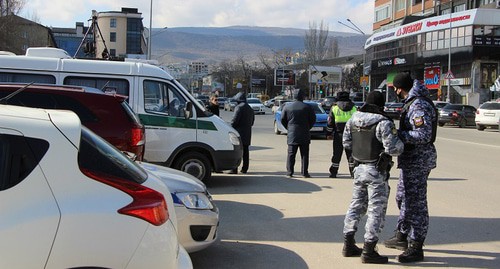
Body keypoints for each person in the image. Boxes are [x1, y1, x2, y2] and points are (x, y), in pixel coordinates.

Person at [341, 91, 404, 264]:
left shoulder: (352, 119)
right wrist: (401, 141)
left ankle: (348, 244)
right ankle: (369, 249)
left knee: (355, 205)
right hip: (376, 170)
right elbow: (394, 149)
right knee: (376, 210)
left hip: (359, 169)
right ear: (380, 105)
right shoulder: (383, 123)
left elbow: (346, 143)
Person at [383, 72, 437, 263]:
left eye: (395, 89)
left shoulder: (418, 104)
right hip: (410, 160)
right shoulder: (412, 101)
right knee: (402, 197)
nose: (395, 92)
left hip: (418, 160)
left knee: (416, 204)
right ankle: (402, 234)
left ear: (399, 88)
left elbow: (423, 134)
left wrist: (399, 135)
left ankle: (416, 245)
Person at [280, 89, 316, 178]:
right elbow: (313, 120)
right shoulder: (307, 107)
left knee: (291, 154)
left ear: (294, 96)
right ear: (302, 96)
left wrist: (289, 128)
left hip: (292, 133)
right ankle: (304, 172)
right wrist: (308, 127)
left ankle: (289, 172)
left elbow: (283, 119)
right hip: (304, 132)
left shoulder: (287, 107)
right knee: (304, 154)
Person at [327, 91, 357, 178]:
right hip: (352, 135)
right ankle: (353, 173)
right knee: (351, 154)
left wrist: (329, 133)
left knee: (337, 154)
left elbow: (330, 122)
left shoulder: (334, 108)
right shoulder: (354, 107)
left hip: (338, 134)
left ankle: (333, 172)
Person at [230, 91, 255, 174]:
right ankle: (245, 168)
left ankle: (234, 169)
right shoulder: (250, 108)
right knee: (246, 152)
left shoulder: (239, 108)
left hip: (238, 133)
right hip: (247, 133)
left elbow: (234, 121)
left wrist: (230, 128)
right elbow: (252, 122)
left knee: (237, 151)